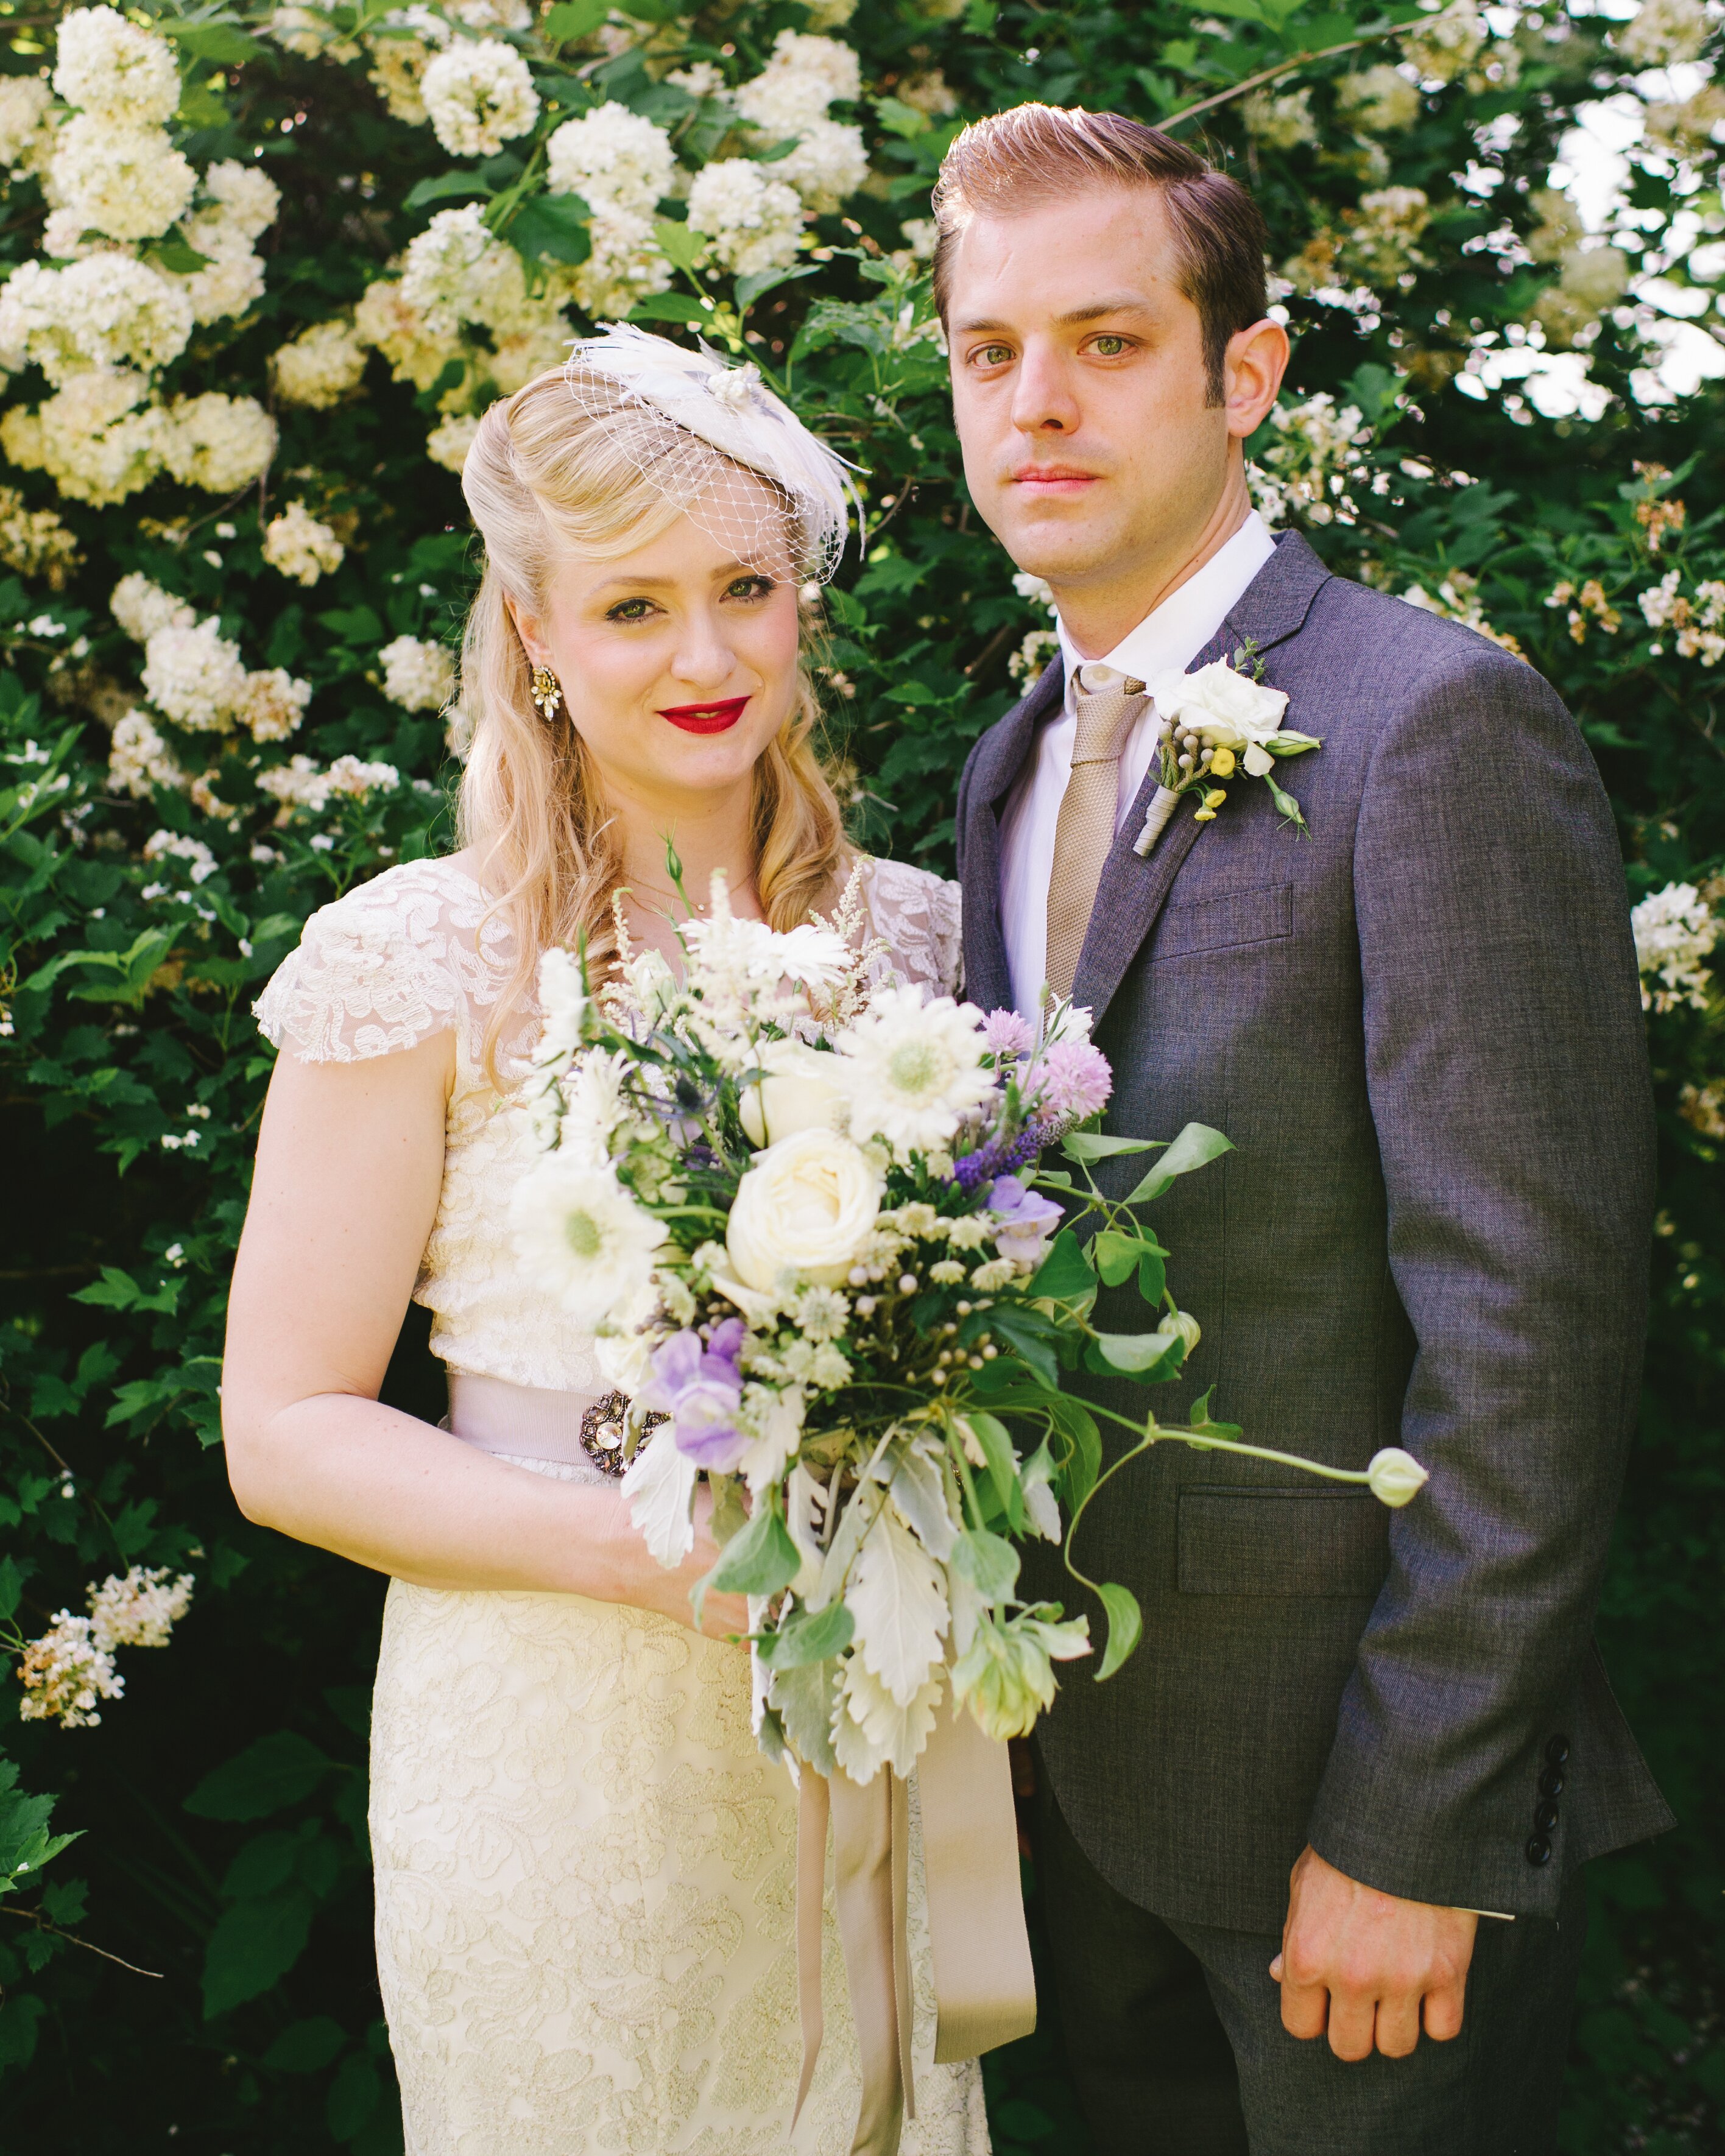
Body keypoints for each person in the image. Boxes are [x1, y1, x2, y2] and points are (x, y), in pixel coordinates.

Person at [943, 104, 1673, 2155]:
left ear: (1243, 371)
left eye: (1104, 340)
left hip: (1355, 1838)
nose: (1039, 402)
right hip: (1079, 1801)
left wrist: (1415, 1823)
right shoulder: (1006, 765)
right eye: (990, 352)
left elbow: (1527, 1326)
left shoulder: (1428, 721)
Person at [223, 330, 989, 2156]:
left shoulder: (931, 954)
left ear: (805, 600)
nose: (708, 656)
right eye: (636, 606)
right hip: (549, 1728)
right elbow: (285, 1429)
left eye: (747, 589)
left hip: (867, 1694)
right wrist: (643, 1560)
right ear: (539, 635)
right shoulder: (419, 958)